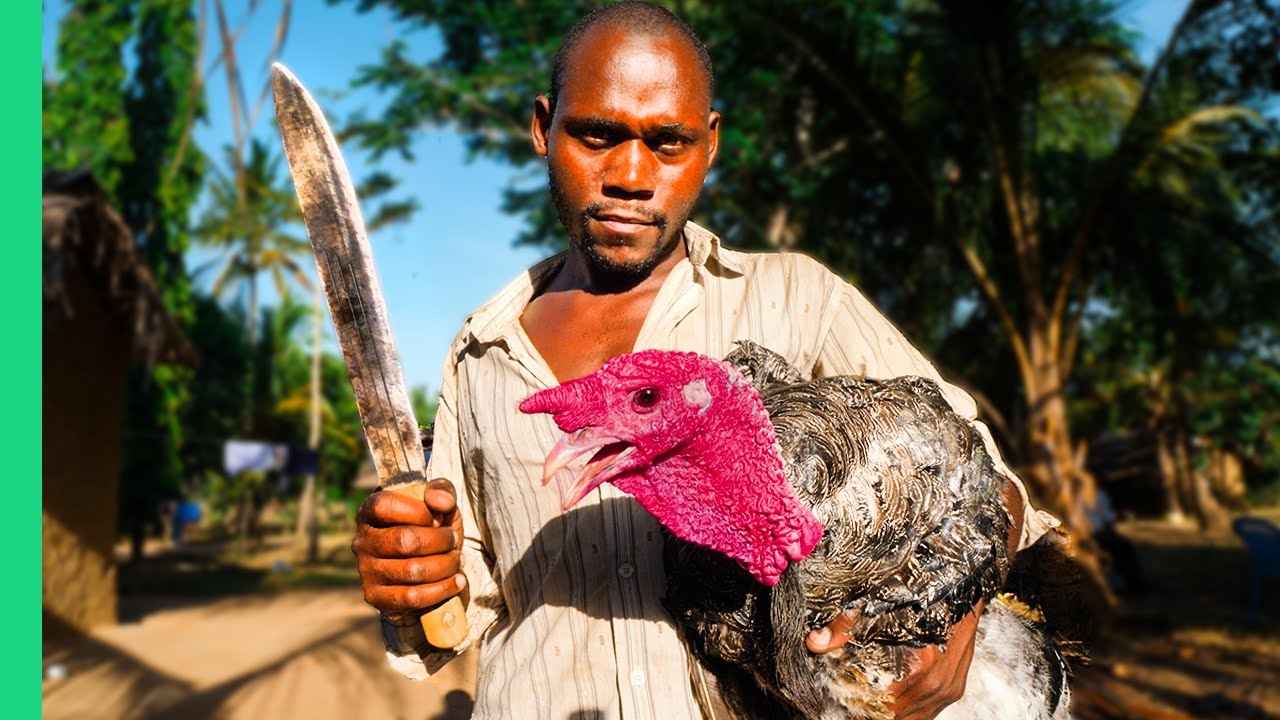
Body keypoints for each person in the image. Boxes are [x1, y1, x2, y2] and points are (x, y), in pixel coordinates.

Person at [351, 3, 1058, 719]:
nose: (630, 174)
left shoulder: (800, 300)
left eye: (668, 142)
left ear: (710, 142)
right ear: (543, 127)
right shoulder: (483, 350)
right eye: (597, 135)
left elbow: (986, 482)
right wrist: (412, 574)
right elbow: (464, 598)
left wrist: (954, 604)